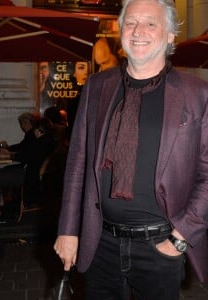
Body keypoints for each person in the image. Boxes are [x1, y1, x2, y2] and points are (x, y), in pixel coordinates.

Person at [54, 0, 208, 299]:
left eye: (150, 23)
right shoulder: (97, 87)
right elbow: (78, 164)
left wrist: (179, 239)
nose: (138, 31)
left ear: (169, 34)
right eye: (131, 22)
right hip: (99, 242)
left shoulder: (197, 95)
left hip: (160, 247)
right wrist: (69, 229)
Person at [0, 117, 55, 224]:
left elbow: (27, 156)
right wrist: (11, 154)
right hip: (30, 172)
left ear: (38, 130)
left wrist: (10, 155)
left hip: (29, 175)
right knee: (2, 170)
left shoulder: (42, 143)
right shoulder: (48, 141)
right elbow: (27, 153)